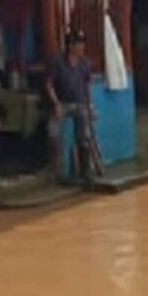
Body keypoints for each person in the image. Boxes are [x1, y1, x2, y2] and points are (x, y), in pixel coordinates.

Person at [44, 30, 98, 184]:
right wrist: (56, 104)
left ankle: (85, 172)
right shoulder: (58, 62)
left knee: (84, 136)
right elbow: (49, 85)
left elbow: (87, 86)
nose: (82, 47)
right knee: (53, 131)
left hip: (79, 103)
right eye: (78, 44)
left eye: (82, 44)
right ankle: (56, 172)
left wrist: (90, 106)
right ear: (70, 45)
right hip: (62, 103)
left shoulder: (85, 63)